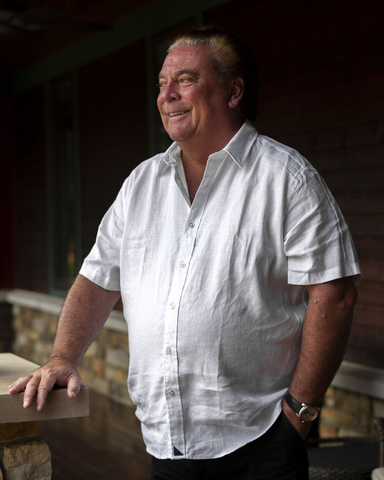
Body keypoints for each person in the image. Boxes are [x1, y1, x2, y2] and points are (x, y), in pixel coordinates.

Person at [9, 27, 361, 480]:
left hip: (261, 443)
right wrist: (62, 357)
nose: (167, 95)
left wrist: (300, 413)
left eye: (186, 79)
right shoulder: (141, 184)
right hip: (166, 443)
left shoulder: (286, 178)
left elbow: (335, 294)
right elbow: (96, 280)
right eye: (162, 83)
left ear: (233, 92)